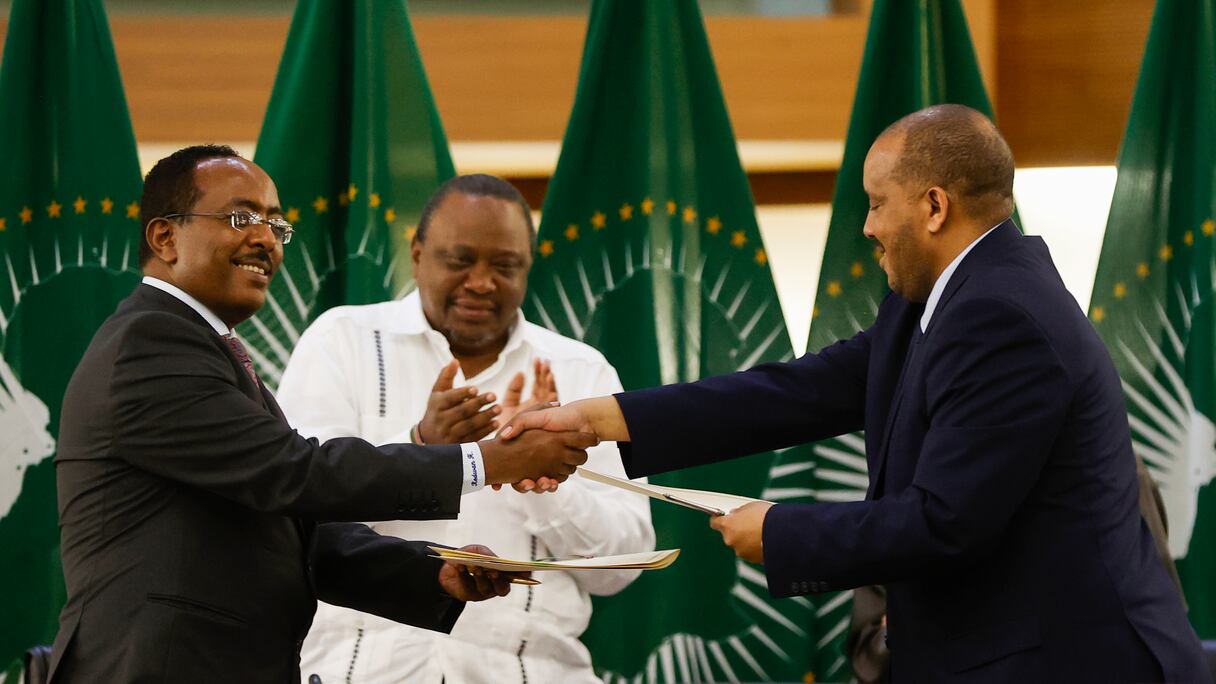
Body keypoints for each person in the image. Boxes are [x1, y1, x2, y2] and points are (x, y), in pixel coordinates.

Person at [503, 106, 1211, 682]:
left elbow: (945, 522)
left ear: (935, 206)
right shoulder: (941, 299)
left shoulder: (1005, 318)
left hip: (1069, 664)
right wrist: (600, 420)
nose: (868, 226)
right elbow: (802, 391)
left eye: (877, 204)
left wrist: (780, 532)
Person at [49, 146, 595, 682]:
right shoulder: (151, 341)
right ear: (165, 236)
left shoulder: (206, 348)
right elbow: (297, 474)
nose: (265, 239)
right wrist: (483, 463)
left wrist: (436, 572)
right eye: (241, 217)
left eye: (275, 225)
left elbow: (287, 525)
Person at [277, 174, 654, 684]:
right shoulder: (342, 340)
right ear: (416, 253)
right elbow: (295, 514)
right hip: (362, 670)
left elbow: (624, 568)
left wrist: (542, 480)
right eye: (459, 261)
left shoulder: (581, 371)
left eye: (505, 266)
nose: (481, 282)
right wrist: (419, 449)